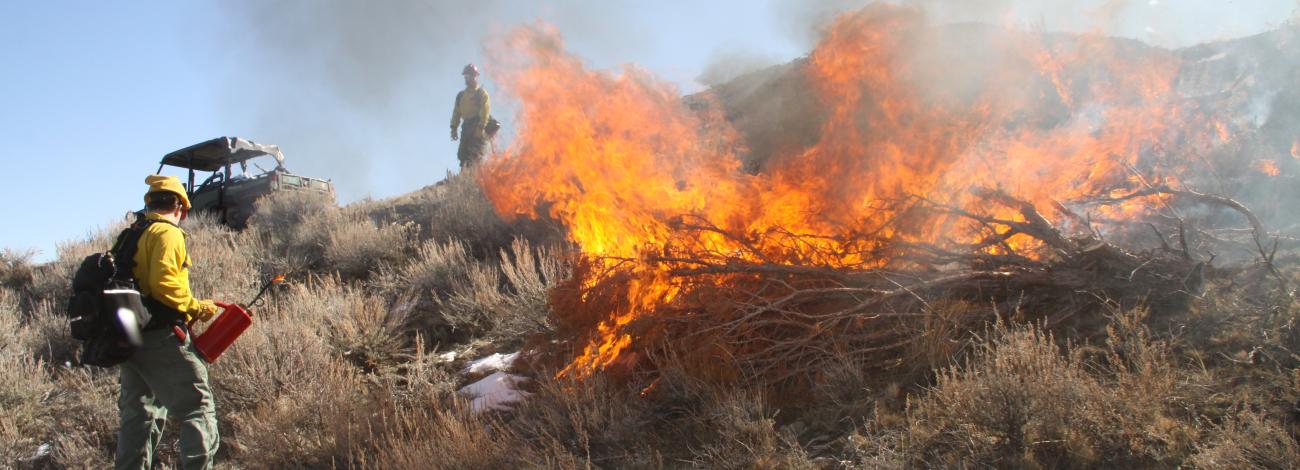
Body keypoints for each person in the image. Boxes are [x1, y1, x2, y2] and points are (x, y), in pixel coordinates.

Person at [115, 175, 223, 470]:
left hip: (129, 338)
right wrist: (196, 307)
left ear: (149, 203)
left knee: (139, 416)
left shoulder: (131, 234)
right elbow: (163, 283)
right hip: (161, 336)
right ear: (181, 209)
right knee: (197, 409)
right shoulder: (167, 233)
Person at [450, 63, 491, 168]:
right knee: (462, 154)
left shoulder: (481, 93)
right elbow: (456, 112)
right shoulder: (461, 96)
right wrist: (454, 128)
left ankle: (476, 177)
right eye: (466, 76)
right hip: (466, 126)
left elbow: (485, 110)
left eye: (470, 76)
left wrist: (481, 127)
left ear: (475, 77)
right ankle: (464, 175)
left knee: (475, 154)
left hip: (476, 125)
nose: (467, 78)